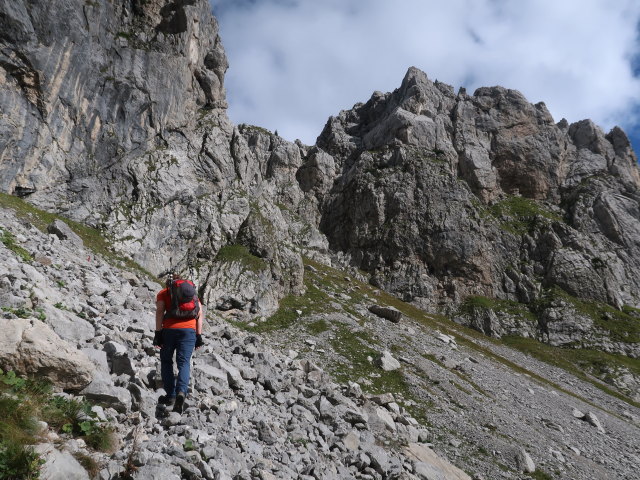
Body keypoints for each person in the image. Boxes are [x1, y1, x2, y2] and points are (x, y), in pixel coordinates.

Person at [153, 273, 204, 413]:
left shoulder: (164, 292)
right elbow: (199, 314)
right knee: (184, 362)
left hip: (169, 330)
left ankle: (171, 395)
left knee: (166, 361)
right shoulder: (191, 292)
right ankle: (182, 392)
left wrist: (158, 334)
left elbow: (159, 312)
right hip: (189, 331)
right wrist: (199, 335)